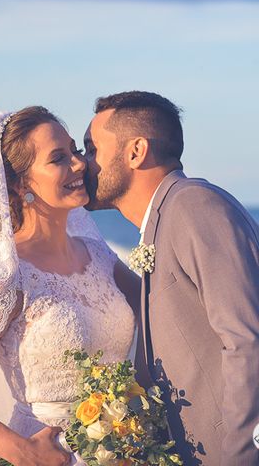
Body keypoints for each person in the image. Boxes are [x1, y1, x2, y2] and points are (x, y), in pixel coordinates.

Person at [0, 107, 141, 465]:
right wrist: (22, 451)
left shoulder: (99, 255)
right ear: (21, 184)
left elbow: (158, 304)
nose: (79, 164)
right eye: (58, 158)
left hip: (120, 450)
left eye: (74, 151)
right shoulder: (7, 276)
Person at [83, 91, 259, 465]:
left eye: (91, 148)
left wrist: (241, 456)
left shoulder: (195, 206)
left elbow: (248, 340)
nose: (83, 164)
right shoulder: (160, 222)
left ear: (136, 151)